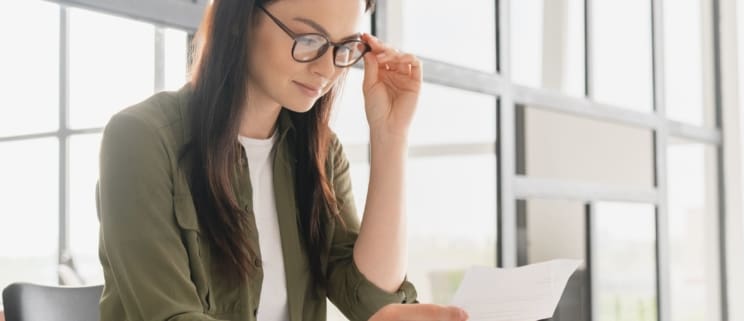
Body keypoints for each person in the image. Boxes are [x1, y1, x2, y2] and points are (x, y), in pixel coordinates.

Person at [96, 0, 467, 320]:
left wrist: (390, 136)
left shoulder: (320, 153)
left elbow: (373, 300)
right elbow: (170, 317)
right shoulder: (140, 139)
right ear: (242, 20)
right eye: (308, 41)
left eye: (343, 48)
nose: (327, 70)